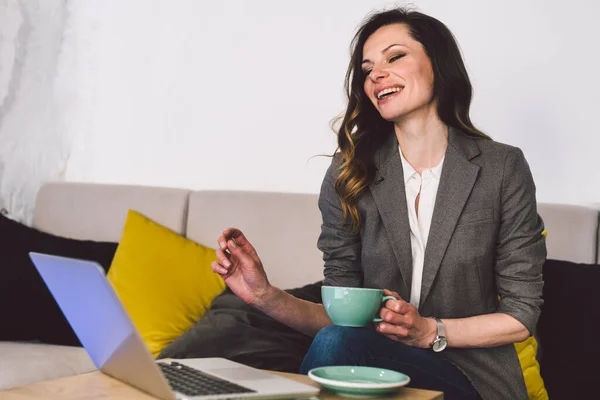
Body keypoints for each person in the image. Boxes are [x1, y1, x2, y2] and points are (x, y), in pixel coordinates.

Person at [211, 7, 546, 400]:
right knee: (338, 341)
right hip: (372, 366)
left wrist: (429, 330)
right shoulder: (350, 172)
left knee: (338, 347)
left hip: (471, 378)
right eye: (368, 68)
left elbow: (521, 315)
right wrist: (264, 295)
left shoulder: (501, 168)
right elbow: (340, 322)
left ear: (437, 62)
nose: (376, 75)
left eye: (395, 56)